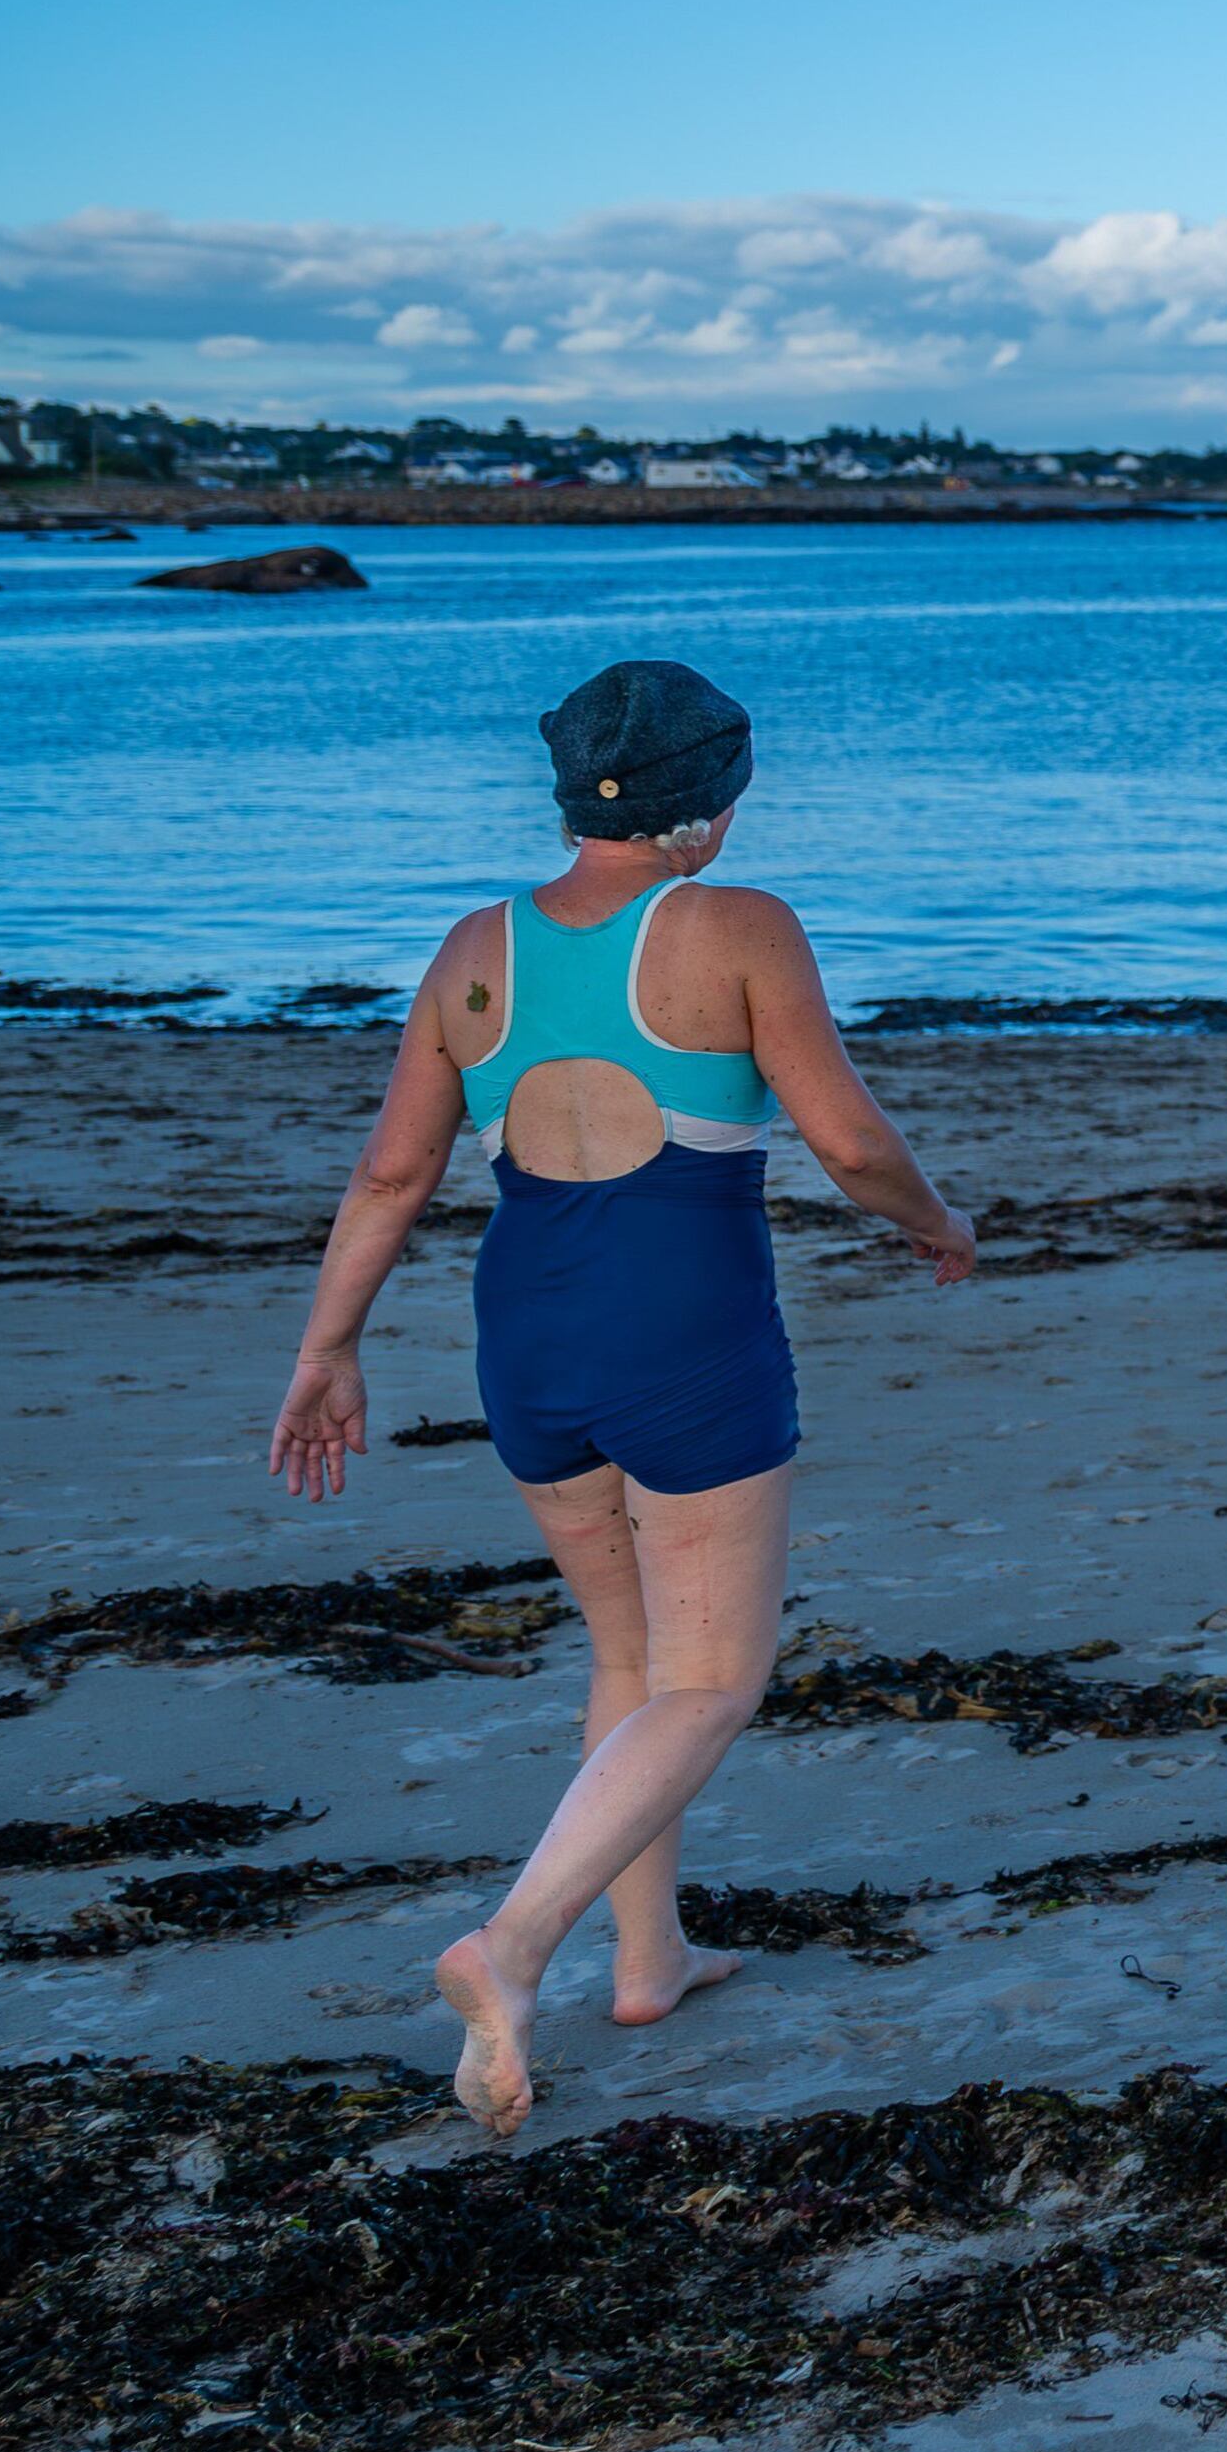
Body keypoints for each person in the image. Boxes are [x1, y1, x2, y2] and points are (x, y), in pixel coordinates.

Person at [265, 660, 976, 2136]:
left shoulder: (477, 948)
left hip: (524, 1336)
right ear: (706, 810)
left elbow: (394, 1172)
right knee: (713, 1678)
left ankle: (646, 1958)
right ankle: (513, 1944)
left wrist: (326, 1347)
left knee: (629, 1653)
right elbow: (845, 1138)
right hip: (686, 1335)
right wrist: (931, 1219)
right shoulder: (735, 926)